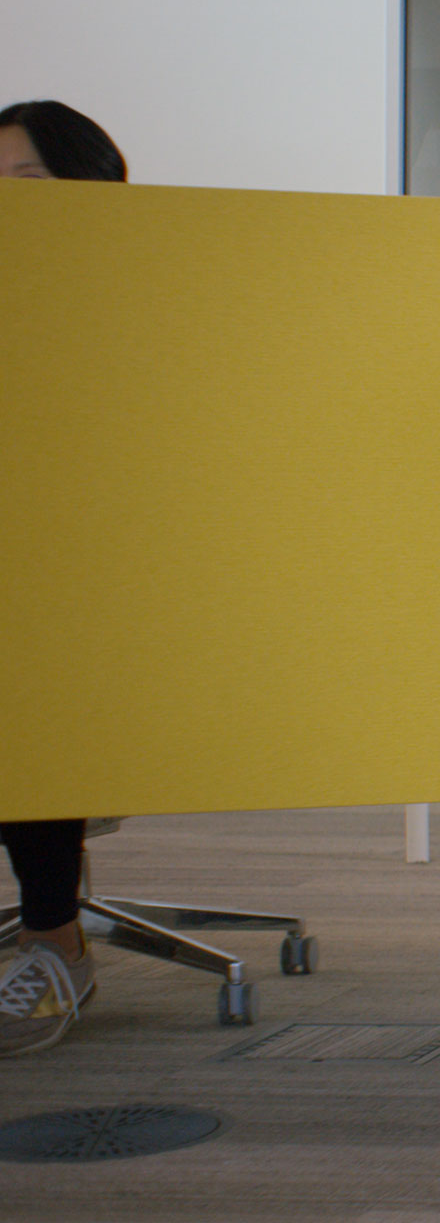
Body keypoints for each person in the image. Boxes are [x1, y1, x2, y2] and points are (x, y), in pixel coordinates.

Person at [0, 100, 126, 1057]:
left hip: (97, 582)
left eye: (25, 179)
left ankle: (54, 933)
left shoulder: (131, 303)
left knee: (25, 683)